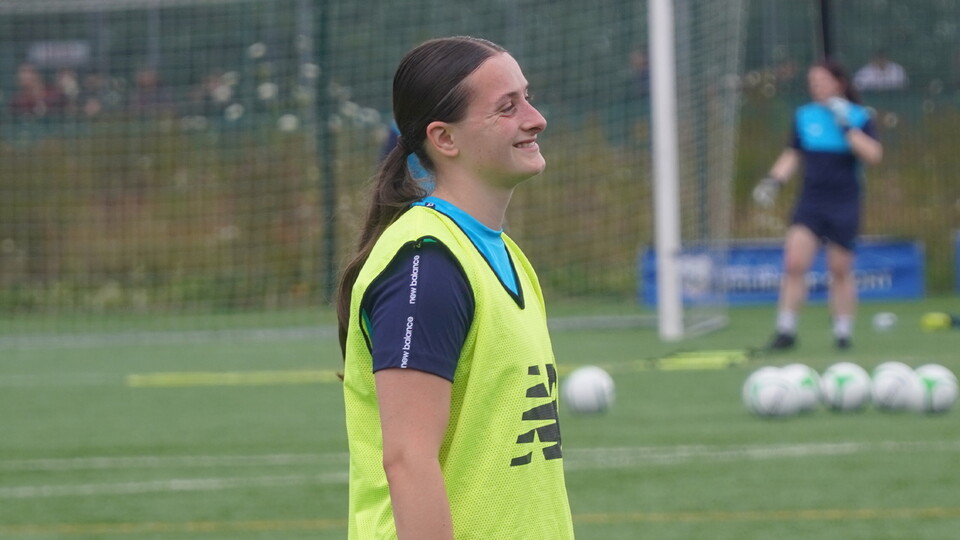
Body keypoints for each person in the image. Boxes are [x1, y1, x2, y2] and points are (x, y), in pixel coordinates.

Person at [337, 36, 575, 539]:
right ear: (444, 139)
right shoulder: (427, 263)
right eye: (507, 108)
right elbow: (407, 461)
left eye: (527, 97)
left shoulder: (503, 255)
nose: (535, 118)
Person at [752, 60, 883, 351]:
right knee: (795, 264)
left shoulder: (859, 116)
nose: (816, 87)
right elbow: (792, 154)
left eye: (822, 81)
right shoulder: (804, 116)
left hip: (844, 202)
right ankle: (785, 331)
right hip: (811, 201)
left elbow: (873, 155)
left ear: (839, 83)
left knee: (839, 269)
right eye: (812, 82)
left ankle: (842, 333)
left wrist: (846, 126)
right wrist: (773, 182)